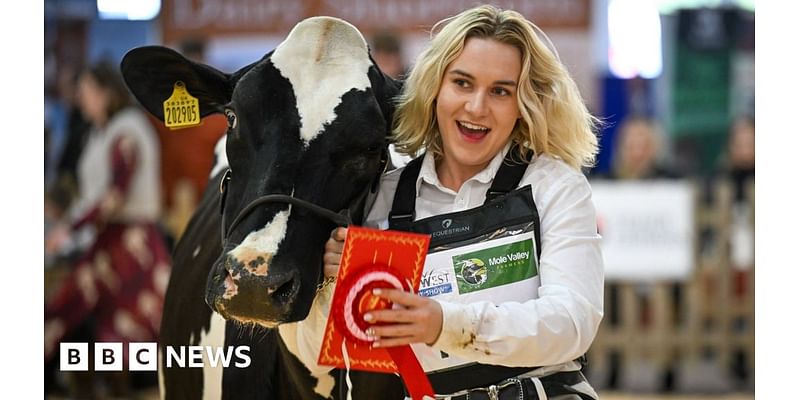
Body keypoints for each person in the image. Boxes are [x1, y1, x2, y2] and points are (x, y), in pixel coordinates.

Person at [316, 5, 604, 399]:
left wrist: (445, 324)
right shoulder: (384, 197)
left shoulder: (555, 185)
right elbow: (355, 352)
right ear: (436, 88)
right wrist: (333, 280)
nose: (476, 107)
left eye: (500, 91)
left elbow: (572, 323)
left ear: (523, 104)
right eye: (463, 83)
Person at [44, 61, 171, 398]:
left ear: (106, 93)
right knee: (93, 322)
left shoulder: (126, 129)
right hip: (111, 242)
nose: (80, 99)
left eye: (85, 92)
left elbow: (115, 193)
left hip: (131, 245)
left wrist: (68, 229)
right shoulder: (103, 129)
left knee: (124, 330)